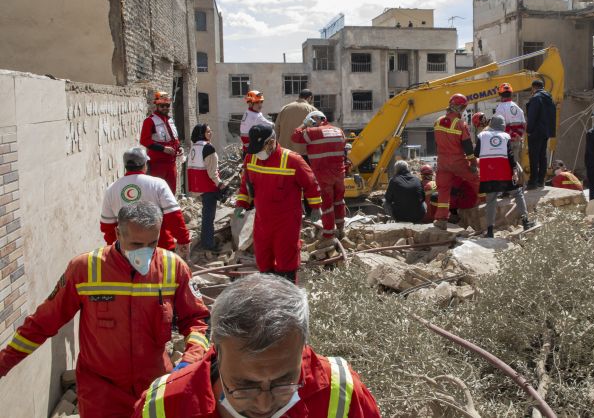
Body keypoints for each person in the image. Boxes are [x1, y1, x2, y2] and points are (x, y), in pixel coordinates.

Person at [1, 201, 210, 418]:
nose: (146, 252)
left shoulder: (173, 268)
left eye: (152, 243)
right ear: (118, 233)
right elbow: (43, 322)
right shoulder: (85, 269)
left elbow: (197, 319)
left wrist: (190, 360)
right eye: (136, 244)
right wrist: (3, 362)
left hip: (153, 388)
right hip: (101, 395)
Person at [132, 274, 381, 418]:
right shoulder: (164, 407)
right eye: (244, 386)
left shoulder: (341, 394)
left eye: (283, 382)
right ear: (217, 349)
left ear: (302, 347)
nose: (264, 405)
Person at [235, 124, 322, 284]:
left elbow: (311, 184)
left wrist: (315, 206)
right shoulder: (251, 158)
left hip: (286, 224)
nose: (257, 153)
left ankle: (287, 293)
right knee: (263, 262)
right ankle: (269, 293)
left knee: (286, 263)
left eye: (260, 149)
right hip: (262, 222)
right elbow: (246, 185)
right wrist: (241, 203)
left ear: (271, 142)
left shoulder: (292, 160)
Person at [100, 147, 191, 259]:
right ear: (145, 164)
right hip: (160, 249)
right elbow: (174, 216)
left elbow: (107, 226)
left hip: (126, 253)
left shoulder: (112, 189)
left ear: (126, 166)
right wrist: (183, 240)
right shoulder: (158, 184)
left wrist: (115, 251)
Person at [291, 111, 347, 241]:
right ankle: (340, 230)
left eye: (311, 120)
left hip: (322, 174)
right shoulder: (339, 131)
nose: (311, 123)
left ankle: (328, 234)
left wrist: (304, 124)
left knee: (327, 205)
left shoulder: (312, 132)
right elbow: (342, 146)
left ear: (316, 118)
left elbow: (294, 137)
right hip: (339, 173)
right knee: (339, 202)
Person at [475, 115, 530, 238]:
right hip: (504, 173)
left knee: (490, 201)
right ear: (503, 125)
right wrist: (514, 171)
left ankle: (490, 232)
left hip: (488, 174)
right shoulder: (505, 136)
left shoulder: (481, 136)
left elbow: (476, 153)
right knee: (518, 194)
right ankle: (526, 222)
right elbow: (511, 156)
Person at [432, 94, 480, 230]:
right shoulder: (460, 124)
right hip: (457, 161)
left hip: (442, 162)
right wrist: (473, 163)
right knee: (476, 179)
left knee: (443, 190)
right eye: (464, 108)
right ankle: (484, 204)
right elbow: (468, 146)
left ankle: (441, 219)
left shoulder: (437, 121)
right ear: (460, 107)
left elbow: (437, 143)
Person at [188, 124, 226, 252]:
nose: (211, 133)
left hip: (198, 186)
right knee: (209, 217)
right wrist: (220, 184)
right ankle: (208, 244)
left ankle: (206, 239)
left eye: (210, 131)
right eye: (208, 132)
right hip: (208, 186)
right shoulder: (208, 148)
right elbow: (212, 172)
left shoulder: (194, 147)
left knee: (206, 215)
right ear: (201, 134)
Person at [140, 91, 182, 193]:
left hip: (171, 164)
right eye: (162, 106)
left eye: (167, 105)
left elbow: (174, 138)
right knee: (156, 192)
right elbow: (144, 140)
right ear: (157, 105)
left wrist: (179, 147)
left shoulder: (170, 120)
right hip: (157, 164)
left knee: (171, 192)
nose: (165, 108)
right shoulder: (149, 121)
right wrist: (163, 149)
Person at [525, 79, 557, 189]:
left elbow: (532, 116)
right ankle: (541, 180)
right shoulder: (549, 98)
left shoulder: (536, 98)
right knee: (542, 156)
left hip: (536, 132)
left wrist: (529, 130)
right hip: (546, 132)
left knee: (534, 157)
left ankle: (533, 182)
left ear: (533, 87)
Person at [275, 89, 317, 157]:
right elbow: (316, 130)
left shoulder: (285, 108)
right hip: (303, 152)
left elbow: (276, 129)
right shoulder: (312, 110)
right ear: (309, 98)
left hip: (284, 151)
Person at [494, 83, 526, 168]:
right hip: (517, 140)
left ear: (500, 94)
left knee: (506, 164)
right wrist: (517, 135)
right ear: (511, 94)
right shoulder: (517, 107)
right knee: (516, 163)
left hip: (506, 141)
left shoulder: (500, 108)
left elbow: (498, 126)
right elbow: (524, 124)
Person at [240, 90, 271, 155]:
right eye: (257, 102)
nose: (260, 105)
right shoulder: (255, 116)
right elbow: (271, 126)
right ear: (250, 104)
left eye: (261, 102)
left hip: (247, 149)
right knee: (271, 132)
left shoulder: (248, 112)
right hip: (253, 149)